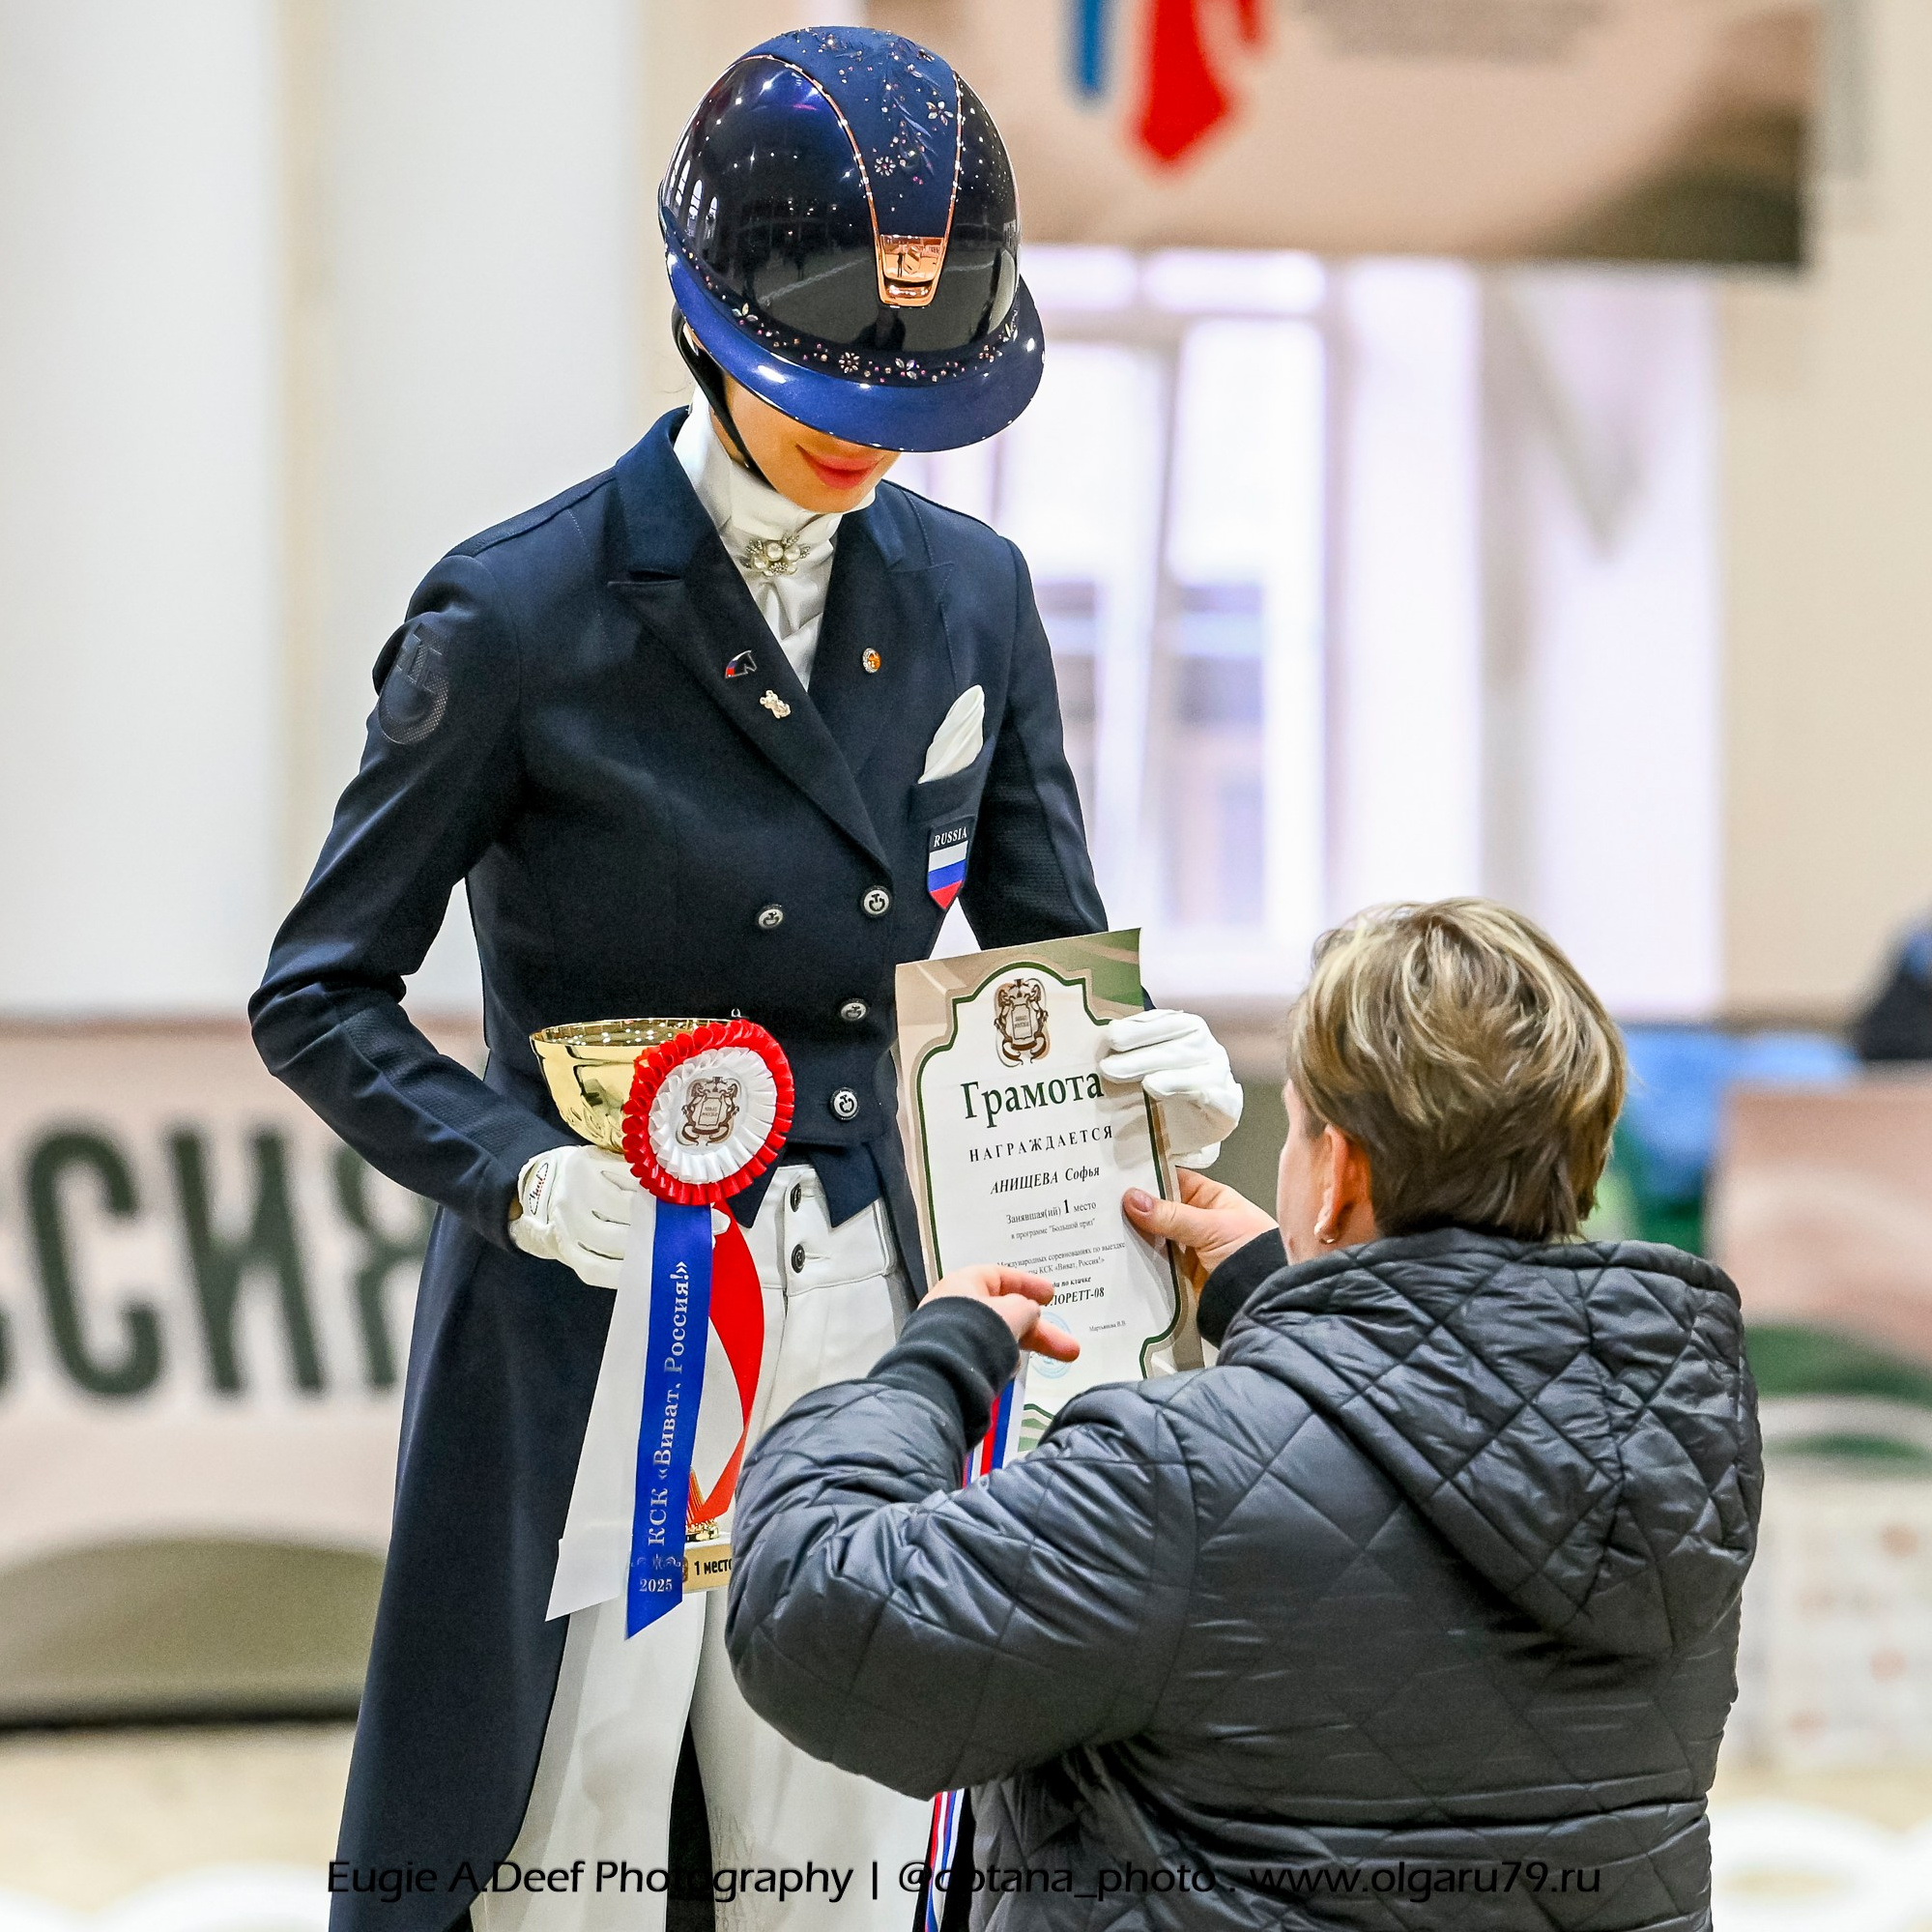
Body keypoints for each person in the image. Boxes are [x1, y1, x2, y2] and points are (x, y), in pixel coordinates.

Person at [249, 27, 1241, 1932]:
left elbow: (1034, 942)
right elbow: (321, 994)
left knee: (849, 1824)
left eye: (916, 394)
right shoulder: (517, 612)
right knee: (582, 1822)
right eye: (825, 387)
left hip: (877, 1295)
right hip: (605, 1296)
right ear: (705, 321)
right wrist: (526, 1173)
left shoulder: (973, 593)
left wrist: (1131, 1071)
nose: (870, 436)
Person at [726, 899, 1762, 1931]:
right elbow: (1437, 1484)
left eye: (1304, 1123)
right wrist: (1281, 1295)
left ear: (1340, 1171)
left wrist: (932, 1364)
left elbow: (818, 1619)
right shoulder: (1672, 1435)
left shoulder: (1172, 1472)